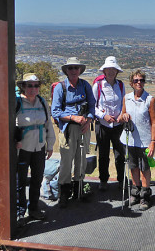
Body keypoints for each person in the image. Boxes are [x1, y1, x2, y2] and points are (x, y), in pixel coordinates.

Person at [51, 57, 95, 208]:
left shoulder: (85, 85)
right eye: (71, 68)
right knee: (66, 161)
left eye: (76, 68)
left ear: (80, 70)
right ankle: (64, 191)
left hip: (83, 128)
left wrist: (88, 120)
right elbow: (55, 111)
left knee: (81, 159)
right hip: (68, 129)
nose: (74, 70)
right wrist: (73, 118)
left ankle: (78, 189)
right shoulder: (60, 88)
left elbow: (92, 106)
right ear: (67, 71)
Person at [16, 73, 56, 226]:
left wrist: (50, 145)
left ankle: (33, 208)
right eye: (30, 85)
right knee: (20, 181)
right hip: (22, 148)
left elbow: (48, 125)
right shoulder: (17, 102)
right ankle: (20, 212)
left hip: (39, 147)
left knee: (37, 179)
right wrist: (14, 141)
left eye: (36, 85)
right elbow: (10, 124)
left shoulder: (42, 102)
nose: (33, 88)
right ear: (23, 87)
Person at [120, 69, 155, 211]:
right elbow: (123, 113)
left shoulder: (149, 99)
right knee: (133, 167)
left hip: (144, 140)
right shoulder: (126, 98)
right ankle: (135, 193)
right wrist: (124, 116)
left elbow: (153, 122)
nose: (139, 83)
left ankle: (145, 196)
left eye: (141, 80)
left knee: (145, 168)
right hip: (129, 139)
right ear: (131, 83)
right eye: (136, 80)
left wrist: (153, 141)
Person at [92, 56, 125, 191]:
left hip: (118, 126)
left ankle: (122, 180)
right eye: (108, 69)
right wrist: (103, 116)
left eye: (113, 69)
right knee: (103, 155)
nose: (111, 72)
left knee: (120, 155)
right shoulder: (98, 86)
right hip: (103, 126)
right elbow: (92, 106)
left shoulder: (121, 85)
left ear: (116, 71)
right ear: (104, 71)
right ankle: (103, 180)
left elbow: (124, 103)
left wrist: (122, 115)